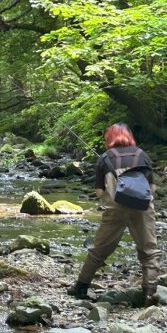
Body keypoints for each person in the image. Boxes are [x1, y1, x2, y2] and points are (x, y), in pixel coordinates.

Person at [68, 122, 161, 302]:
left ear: (109, 137)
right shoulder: (142, 155)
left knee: (98, 250)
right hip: (143, 207)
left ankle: (81, 287)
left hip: (116, 208)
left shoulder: (105, 158)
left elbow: (99, 192)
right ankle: (150, 291)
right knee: (149, 250)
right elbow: (152, 187)